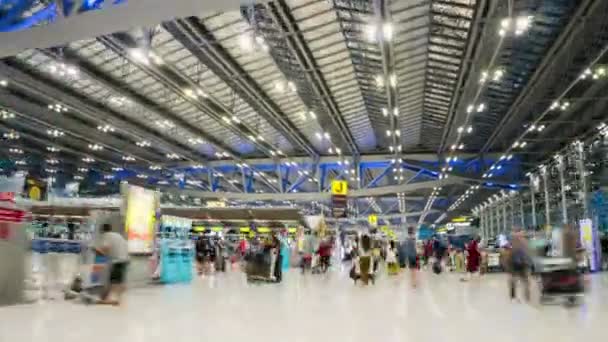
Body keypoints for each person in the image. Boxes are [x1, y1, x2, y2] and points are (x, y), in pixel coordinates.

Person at [96, 223, 129, 306]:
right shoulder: (117, 235)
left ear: (102, 230)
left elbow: (105, 249)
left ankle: (110, 299)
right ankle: (117, 299)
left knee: (113, 281)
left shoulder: (106, 236)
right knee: (119, 280)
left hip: (117, 260)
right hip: (125, 259)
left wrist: (95, 250)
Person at [510, 231, 531, 301]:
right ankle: (514, 296)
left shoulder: (524, 244)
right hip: (516, 265)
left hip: (523, 265)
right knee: (514, 280)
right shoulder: (514, 245)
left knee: (525, 281)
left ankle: (526, 296)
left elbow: (528, 255)